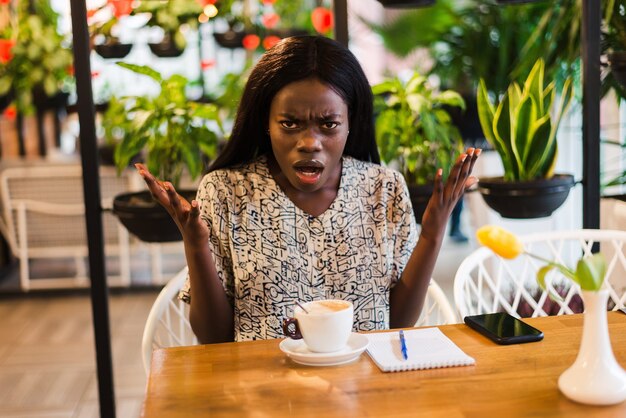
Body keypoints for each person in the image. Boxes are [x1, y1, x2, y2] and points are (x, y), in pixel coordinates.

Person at [136, 35, 480, 344]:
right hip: (263, 397)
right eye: (290, 123)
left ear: (350, 124)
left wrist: (433, 234)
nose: (309, 143)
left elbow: (397, 323)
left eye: (328, 124)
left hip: (364, 393)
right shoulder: (225, 191)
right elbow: (213, 338)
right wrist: (195, 245)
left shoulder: (383, 189)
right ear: (265, 125)